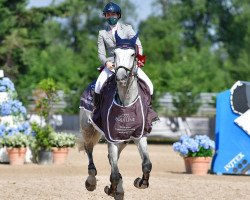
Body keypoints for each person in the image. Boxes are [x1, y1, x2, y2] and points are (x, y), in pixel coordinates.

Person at [94, 2, 154, 104]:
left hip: (128, 63)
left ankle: (149, 112)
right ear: (105, 16)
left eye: (113, 14)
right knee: (98, 86)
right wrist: (106, 63)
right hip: (112, 65)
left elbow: (138, 45)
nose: (110, 16)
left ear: (118, 15)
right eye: (108, 14)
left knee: (149, 85)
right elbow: (101, 53)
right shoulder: (102, 33)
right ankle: (97, 113)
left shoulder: (127, 28)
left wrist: (137, 58)